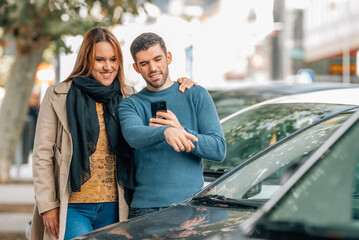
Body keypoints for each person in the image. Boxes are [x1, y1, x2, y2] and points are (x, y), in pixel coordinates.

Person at [30, 27, 195, 240]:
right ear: (87, 60)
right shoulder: (58, 95)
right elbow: (43, 154)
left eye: (113, 59)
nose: (108, 67)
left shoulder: (129, 97)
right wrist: (47, 205)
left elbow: (151, 134)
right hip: (73, 207)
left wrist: (184, 83)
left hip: (116, 207)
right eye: (100, 60)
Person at [118, 32, 226, 219]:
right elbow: (133, 135)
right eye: (144, 63)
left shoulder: (196, 94)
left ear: (168, 57)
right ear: (136, 68)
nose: (153, 67)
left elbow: (218, 149)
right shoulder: (130, 104)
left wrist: (181, 131)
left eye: (157, 59)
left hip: (190, 208)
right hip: (145, 210)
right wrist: (166, 132)